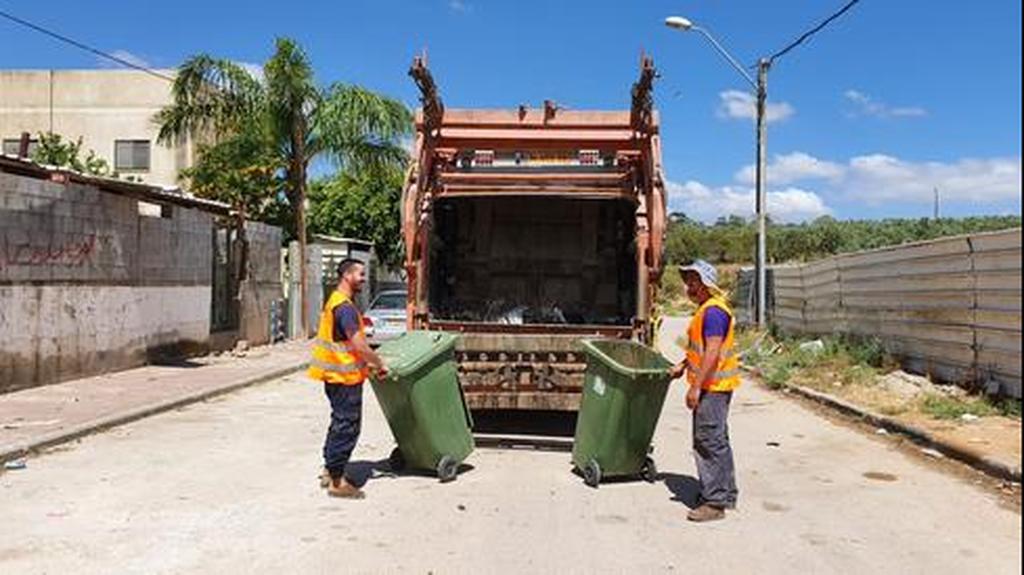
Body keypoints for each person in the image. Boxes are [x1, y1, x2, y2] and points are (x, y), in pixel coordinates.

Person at [308, 258, 388, 499]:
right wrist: (379, 363)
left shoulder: (337, 301)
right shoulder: (343, 307)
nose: (364, 279)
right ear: (347, 276)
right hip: (344, 378)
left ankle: (329, 470)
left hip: (336, 376)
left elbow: (348, 346)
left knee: (338, 424)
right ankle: (336, 481)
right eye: (360, 274)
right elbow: (359, 345)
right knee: (347, 427)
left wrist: (365, 364)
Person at [668, 259, 741, 522]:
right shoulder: (708, 310)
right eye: (687, 281)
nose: (689, 286)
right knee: (718, 440)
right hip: (716, 386)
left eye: (693, 281)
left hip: (712, 387)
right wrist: (682, 365)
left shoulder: (713, 312)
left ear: (706, 284)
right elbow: (701, 350)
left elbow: (712, 352)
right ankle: (725, 493)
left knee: (708, 441)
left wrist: (696, 387)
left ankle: (714, 502)